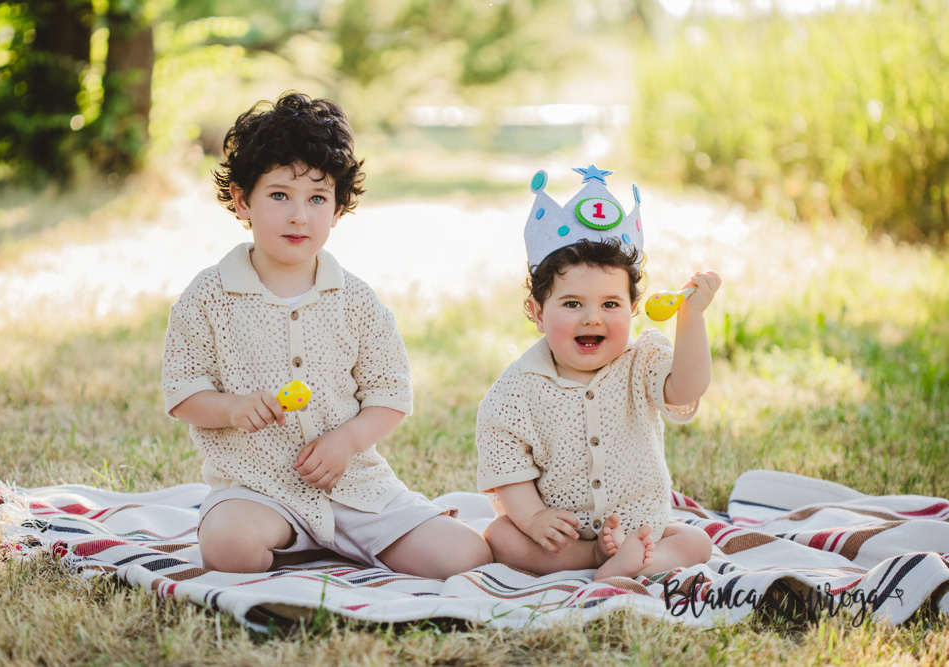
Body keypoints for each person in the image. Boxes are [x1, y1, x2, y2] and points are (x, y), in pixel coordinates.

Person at [162, 91, 491, 576]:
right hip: (256, 492)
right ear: (242, 200)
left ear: (337, 209)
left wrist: (345, 442)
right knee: (228, 547)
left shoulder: (357, 301)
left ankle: (331, 545)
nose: (299, 216)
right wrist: (231, 407)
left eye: (317, 198)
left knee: (467, 556)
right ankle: (301, 545)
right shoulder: (209, 296)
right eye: (279, 195)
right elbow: (182, 391)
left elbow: (390, 395)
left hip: (353, 486)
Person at [476, 166, 716, 580]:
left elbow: (687, 388)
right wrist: (534, 519)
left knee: (697, 541)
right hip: (561, 534)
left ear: (633, 308)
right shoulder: (516, 390)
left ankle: (638, 559)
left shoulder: (642, 361)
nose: (593, 319)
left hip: (640, 527)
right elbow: (507, 467)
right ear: (537, 312)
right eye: (572, 304)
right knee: (500, 535)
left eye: (610, 304)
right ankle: (594, 561)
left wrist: (691, 318)